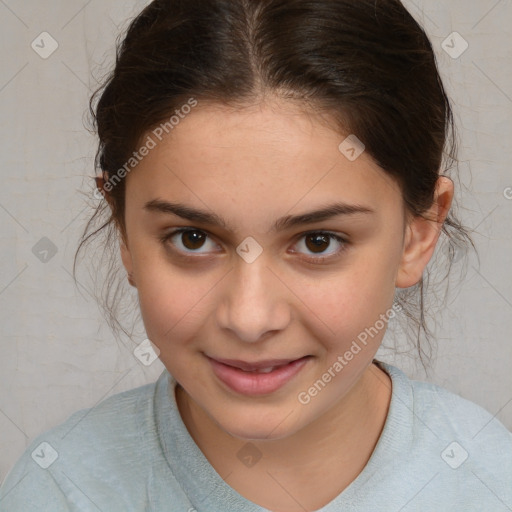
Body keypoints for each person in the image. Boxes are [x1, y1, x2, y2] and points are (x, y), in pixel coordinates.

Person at [1, 0, 511, 510]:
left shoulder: (492, 483)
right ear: (124, 232)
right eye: (192, 238)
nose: (249, 319)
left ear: (418, 233)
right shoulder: (61, 489)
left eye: (318, 241)